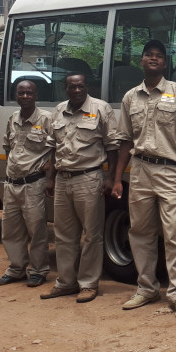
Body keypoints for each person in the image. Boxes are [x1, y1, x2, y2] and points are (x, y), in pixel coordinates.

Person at [111, 40, 176, 319]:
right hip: (139, 170)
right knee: (140, 231)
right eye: (149, 55)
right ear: (142, 60)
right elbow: (125, 140)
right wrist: (117, 178)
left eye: (159, 56)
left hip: (170, 171)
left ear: (165, 62)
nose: (154, 59)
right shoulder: (130, 97)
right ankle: (147, 288)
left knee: (173, 233)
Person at [40, 73, 118, 303]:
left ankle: (88, 284)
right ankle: (65, 282)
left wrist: (111, 178)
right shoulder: (59, 110)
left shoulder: (101, 108)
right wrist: (51, 178)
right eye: (72, 87)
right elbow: (53, 147)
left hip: (89, 178)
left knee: (92, 235)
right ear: (65, 89)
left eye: (80, 86)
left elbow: (112, 146)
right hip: (63, 179)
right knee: (63, 235)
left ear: (87, 87)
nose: (76, 90)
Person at [0, 78, 53, 288]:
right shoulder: (13, 118)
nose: (25, 96)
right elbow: (7, 147)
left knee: (36, 230)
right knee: (11, 230)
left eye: (29, 93)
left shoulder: (46, 119)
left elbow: (57, 148)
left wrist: (50, 173)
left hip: (33, 184)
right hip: (12, 184)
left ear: (36, 96)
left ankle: (38, 270)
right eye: (21, 93)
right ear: (16, 96)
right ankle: (16, 269)